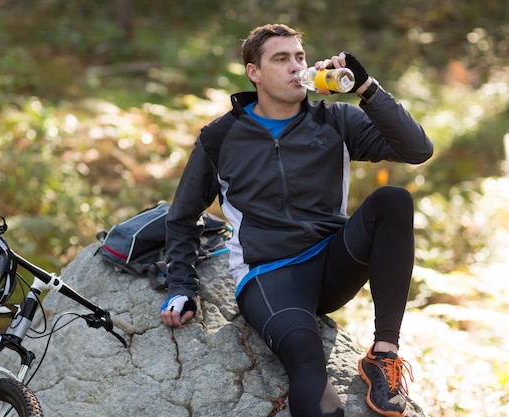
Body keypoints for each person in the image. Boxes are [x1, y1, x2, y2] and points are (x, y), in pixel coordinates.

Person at [159, 23, 433, 417]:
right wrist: (180, 286)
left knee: (393, 201)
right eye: (281, 58)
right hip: (270, 276)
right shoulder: (221, 137)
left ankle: (384, 354)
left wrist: (366, 88)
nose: (295, 67)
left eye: (300, 57)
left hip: (333, 262)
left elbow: (418, 149)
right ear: (254, 72)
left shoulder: (334, 121)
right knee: (308, 369)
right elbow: (183, 216)